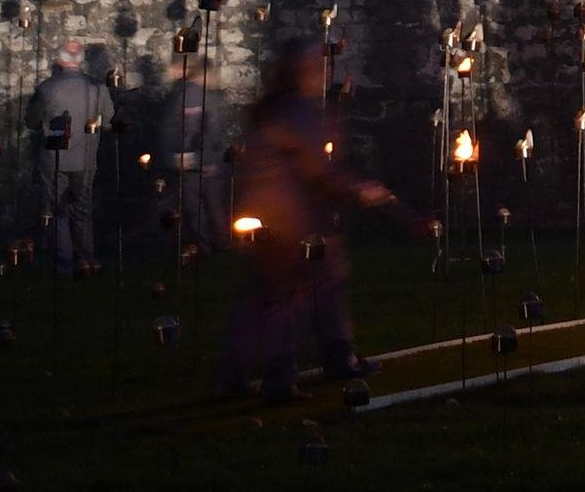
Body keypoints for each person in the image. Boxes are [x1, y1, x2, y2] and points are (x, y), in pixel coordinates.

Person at [219, 38, 396, 400]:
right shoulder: (296, 113)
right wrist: (361, 191)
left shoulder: (275, 109)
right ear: (300, 72)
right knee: (284, 299)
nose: (322, 73)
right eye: (316, 67)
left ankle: (331, 359)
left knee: (312, 286)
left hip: (269, 215)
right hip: (291, 221)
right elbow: (319, 172)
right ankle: (280, 381)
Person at [30, 44, 115, 277]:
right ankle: (85, 259)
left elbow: (31, 120)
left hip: (54, 157)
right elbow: (109, 121)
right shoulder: (97, 88)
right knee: (83, 210)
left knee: (57, 210)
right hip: (85, 158)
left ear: (59, 59)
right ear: (81, 60)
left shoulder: (48, 87)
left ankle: (64, 262)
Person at [144, 42, 233, 256]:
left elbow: (185, 129)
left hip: (192, 160)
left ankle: (203, 247)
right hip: (208, 158)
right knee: (212, 204)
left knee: (195, 207)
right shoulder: (212, 95)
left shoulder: (187, 95)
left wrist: (188, 157)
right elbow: (215, 129)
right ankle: (221, 246)